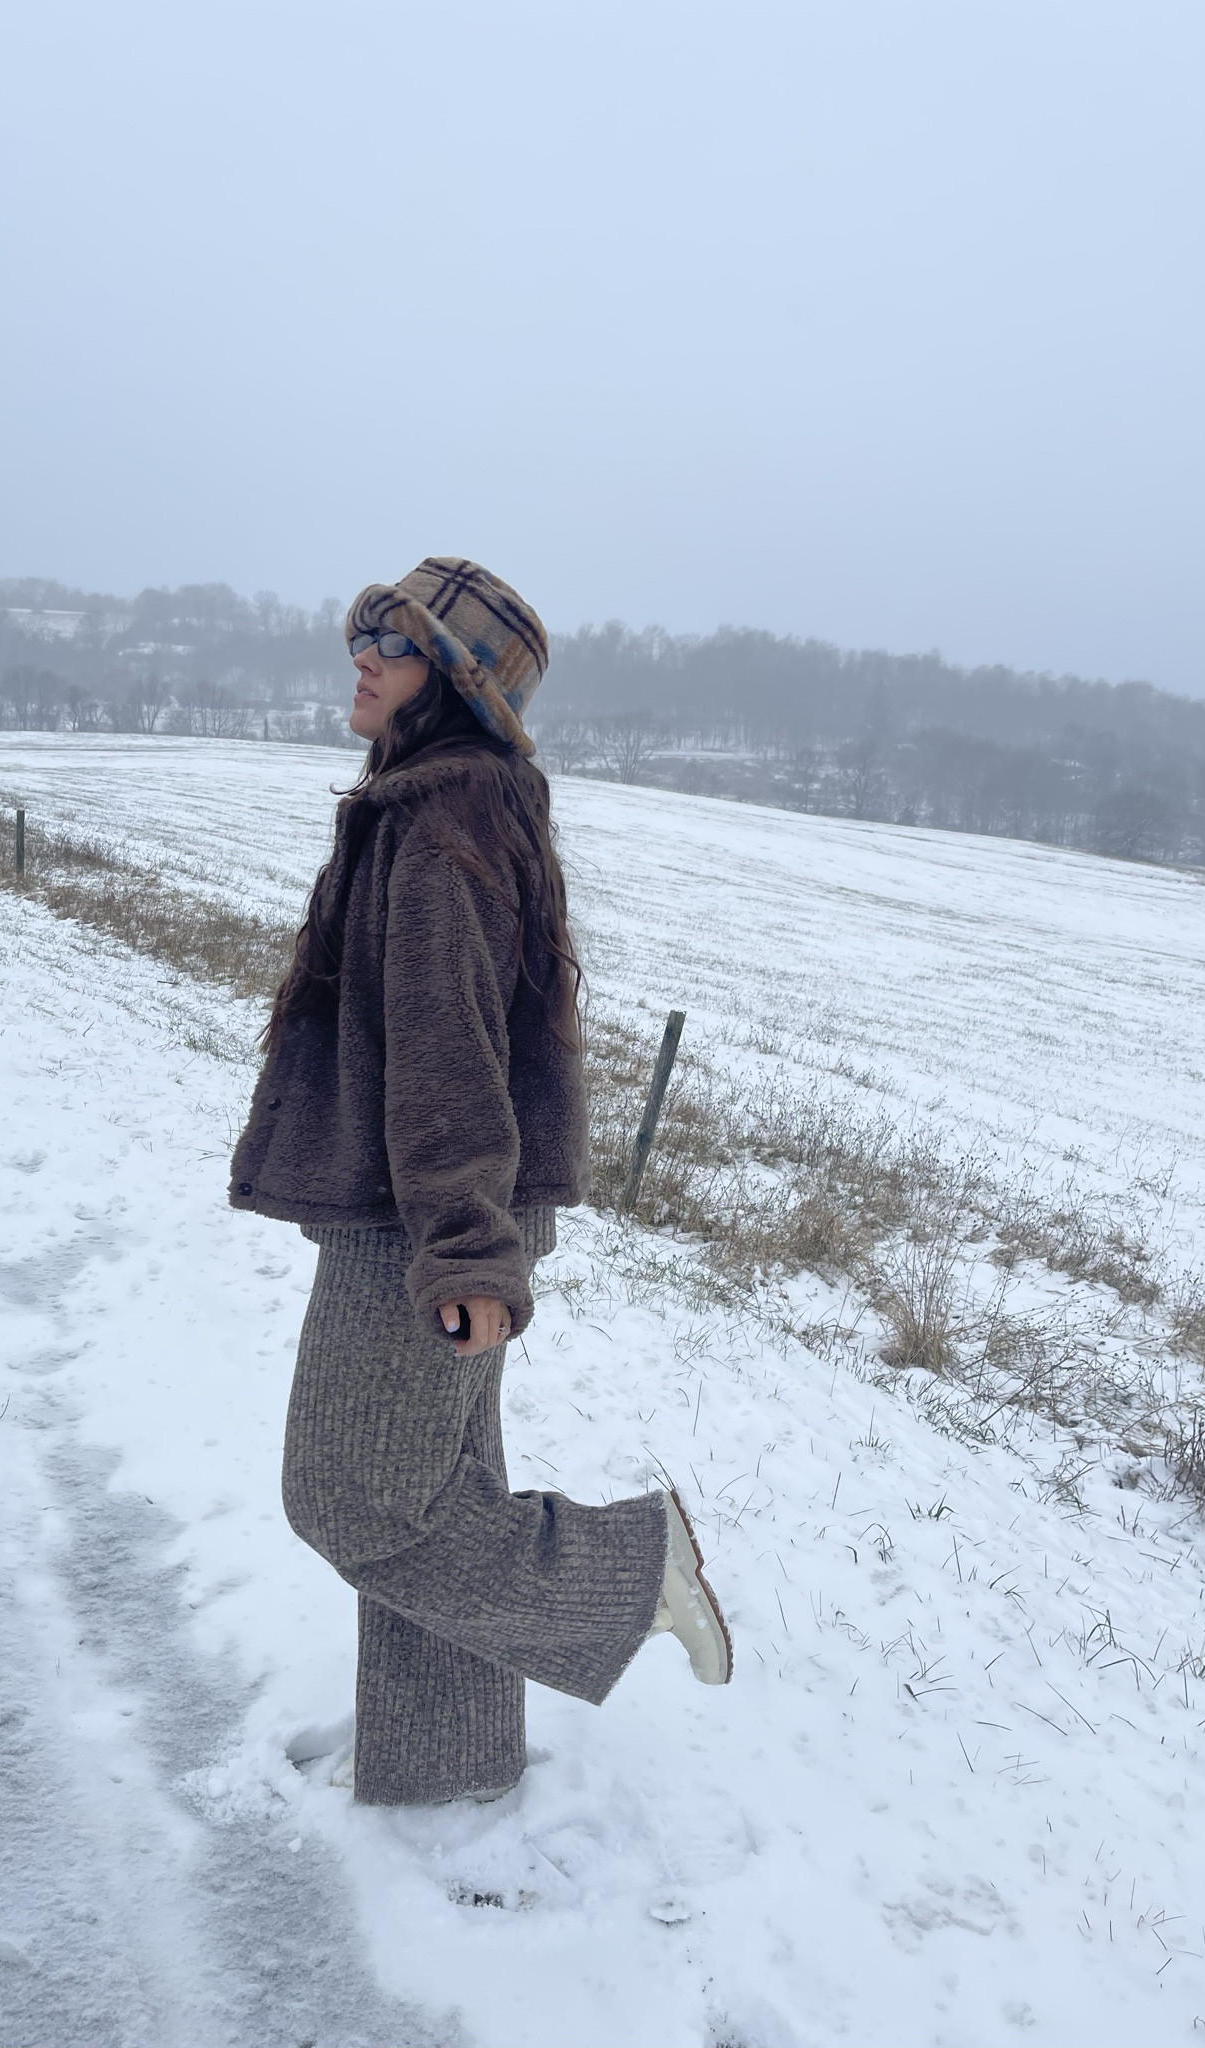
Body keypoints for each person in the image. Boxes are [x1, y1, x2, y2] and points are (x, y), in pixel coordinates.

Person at [229, 557, 731, 1807]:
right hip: (442, 1201)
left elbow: (448, 1048)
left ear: (453, 684)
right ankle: (447, 1772)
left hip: (427, 1214)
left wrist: (464, 1245)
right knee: (434, 1495)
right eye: (362, 631)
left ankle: (634, 1566)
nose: (361, 657)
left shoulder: (439, 829)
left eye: (393, 644)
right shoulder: (450, 805)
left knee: (351, 1494)